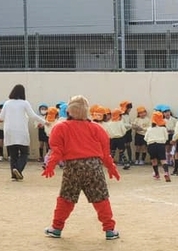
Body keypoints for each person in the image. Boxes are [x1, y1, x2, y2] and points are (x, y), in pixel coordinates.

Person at [42, 95, 120, 240]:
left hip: (73, 167)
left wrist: (50, 165)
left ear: (69, 111)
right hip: (94, 166)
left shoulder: (60, 128)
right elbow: (105, 153)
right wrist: (111, 167)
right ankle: (110, 229)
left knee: (66, 198)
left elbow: (56, 150)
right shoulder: (97, 128)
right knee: (101, 198)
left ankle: (56, 228)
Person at [0, 84, 45, 181]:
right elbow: (32, 115)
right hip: (21, 131)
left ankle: (13, 175)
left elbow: (1, 118)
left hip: (9, 132)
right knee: (24, 153)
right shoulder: (24, 103)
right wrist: (45, 122)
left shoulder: (7, 103)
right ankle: (18, 169)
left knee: (13, 154)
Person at [145, 111, 171, 181]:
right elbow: (166, 138)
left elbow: (146, 138)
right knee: (163, 160)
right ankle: (166, 172)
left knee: (154, 160)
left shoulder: (149, 129)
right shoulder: (163, 128)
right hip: (161, 145)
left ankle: (157, 174)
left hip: (151, 145)